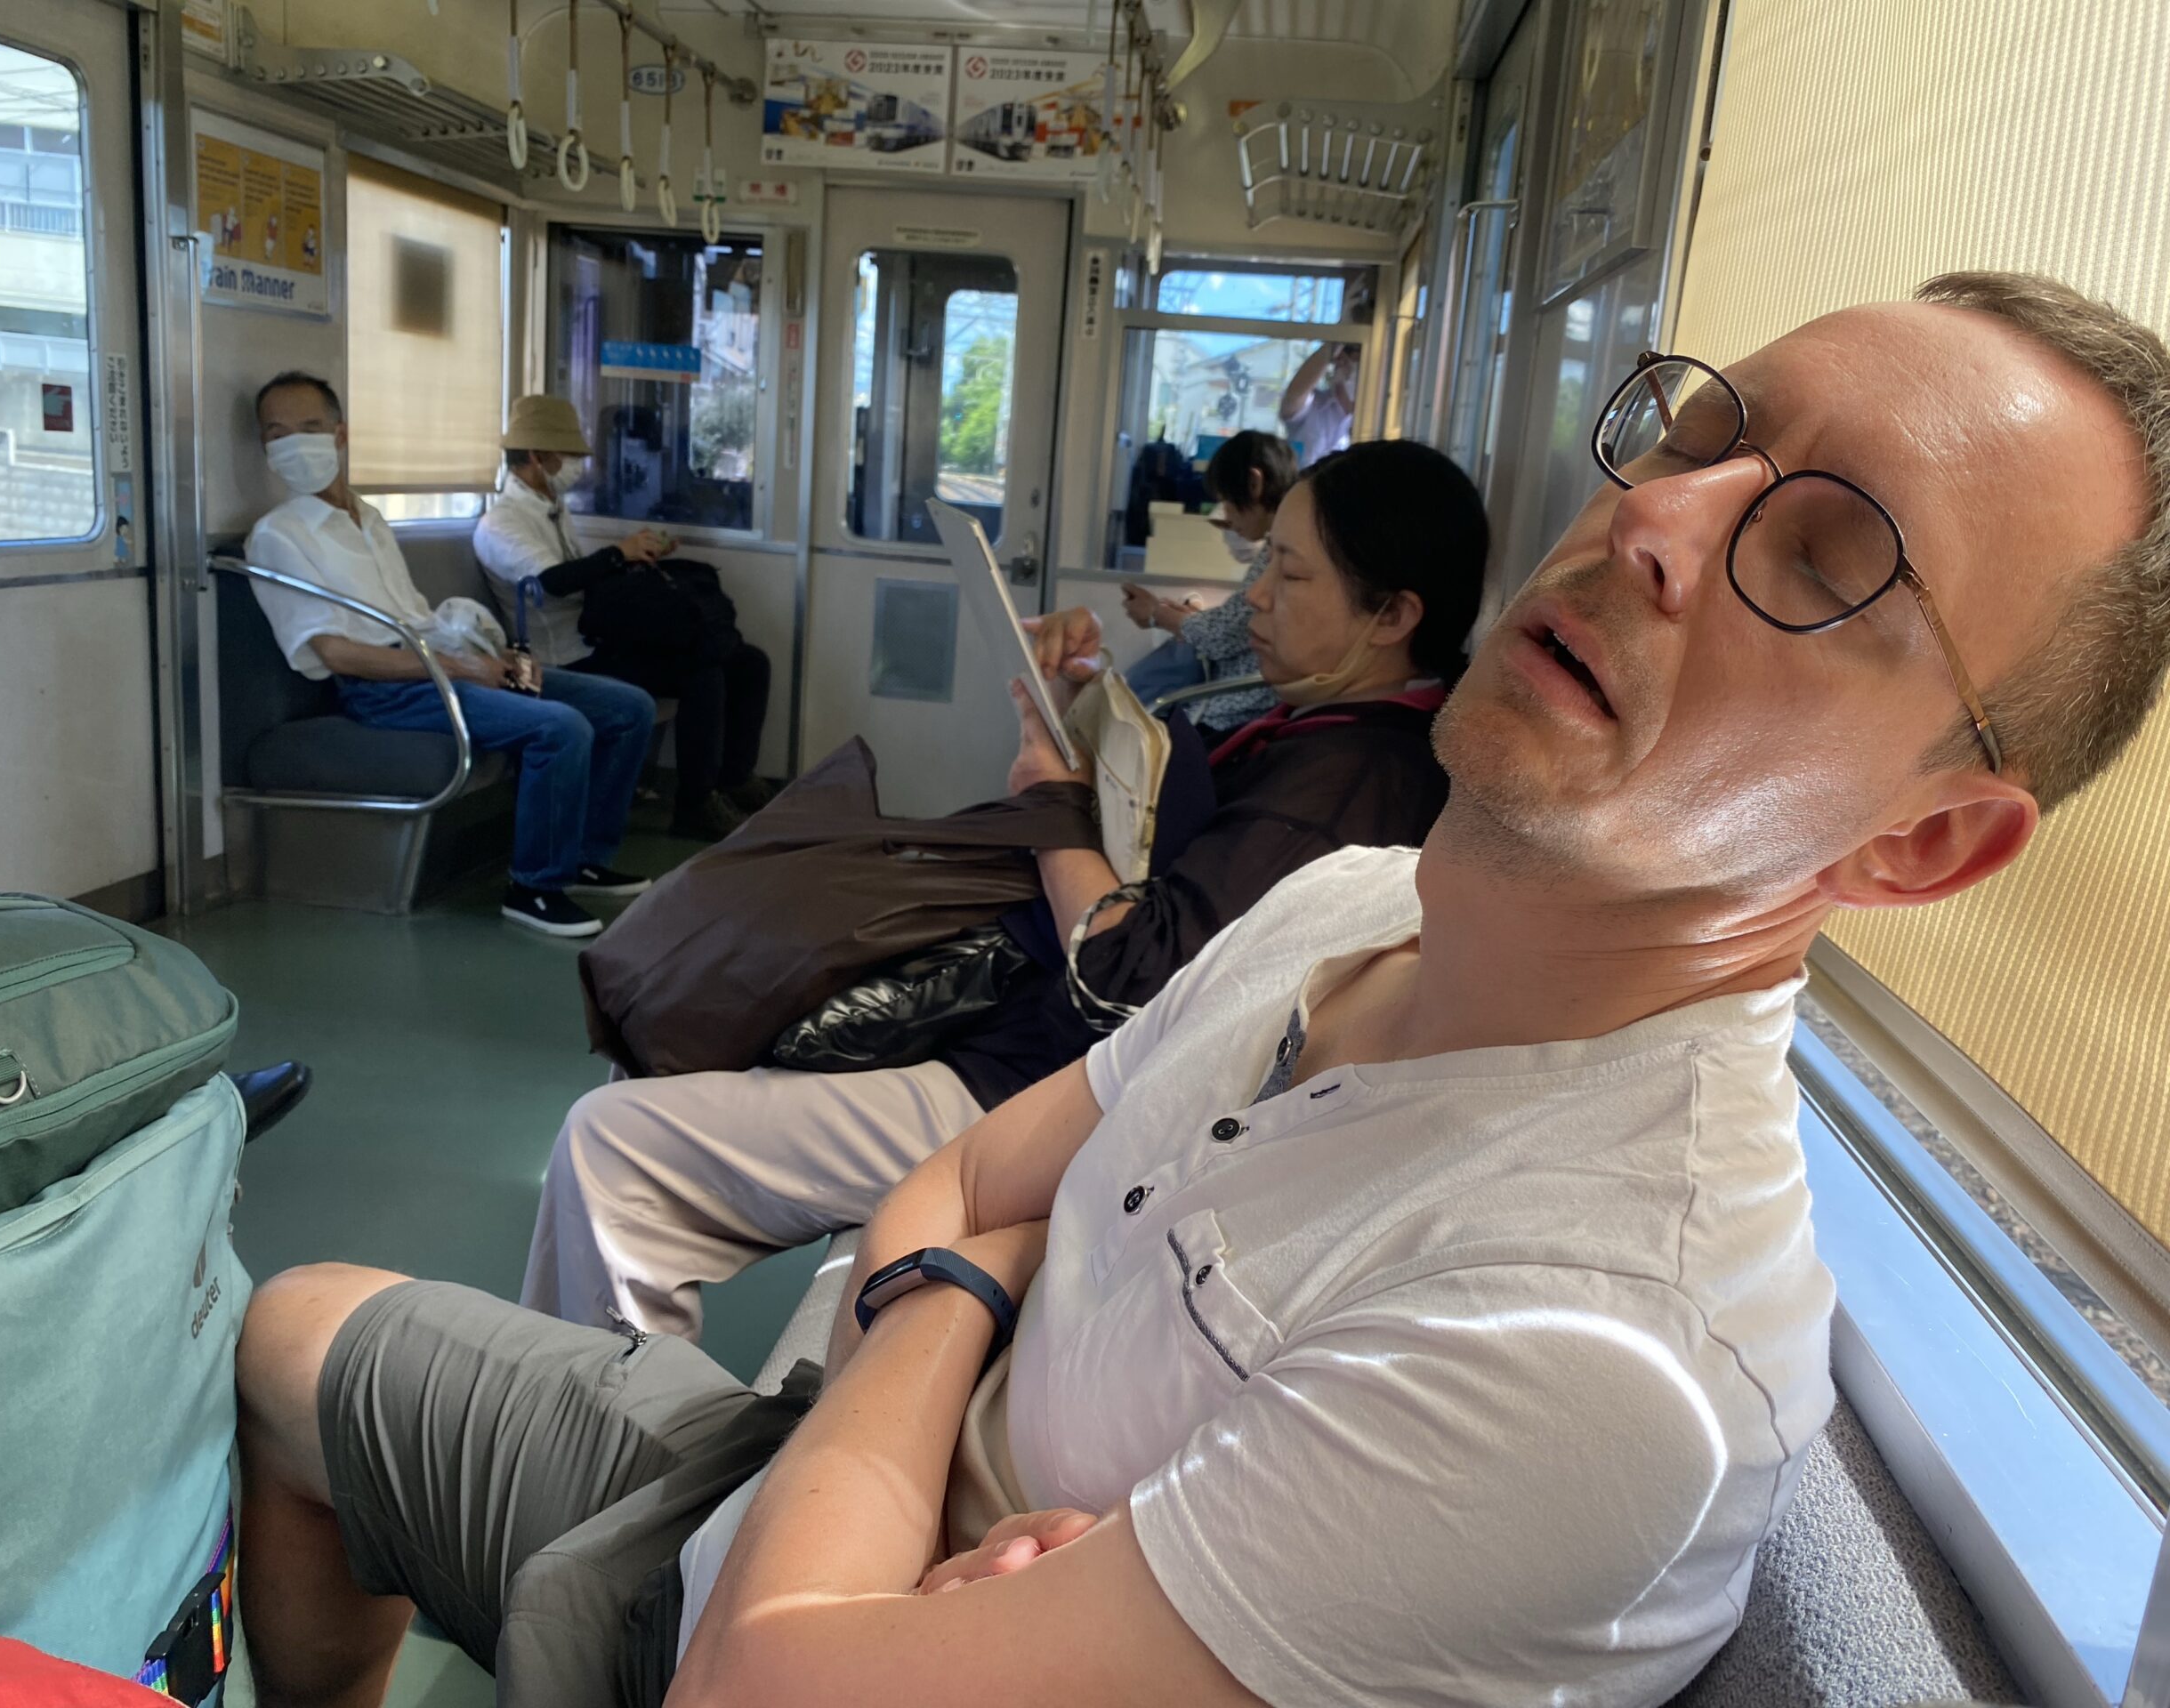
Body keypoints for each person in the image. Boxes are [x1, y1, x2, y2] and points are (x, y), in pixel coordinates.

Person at [233, 272, 2170, 1708]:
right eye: (1696, 434)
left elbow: (769, 1679)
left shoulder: (1600, 1357)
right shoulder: (1348, 901)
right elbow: (961, 1193)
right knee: (291, 1335)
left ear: (1920, 846)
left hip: (761, 1600)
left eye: (1822, 558)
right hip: (793, 1482)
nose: (1655, 522)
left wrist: (946, 1290)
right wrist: (955, 1294)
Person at [520, 438, 1488, 1338]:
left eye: (1290, 573)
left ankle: (598, 1428)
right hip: (1013, 1030)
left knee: (614, 1143)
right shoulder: (1314, 729)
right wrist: (1080, 710)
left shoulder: (1349, 785)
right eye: (1264, 563)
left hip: (1036, 1090)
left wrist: (1056, 804)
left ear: (1392, 615)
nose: (1258, 598)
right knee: (670, 1042)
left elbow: (1132, 978)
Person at [244, 373, 657, 939]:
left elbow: (417, 617)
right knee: (560, 728)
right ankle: (534, 888)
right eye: (277, 433)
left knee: (628, 708)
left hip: (436, 660)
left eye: (309, 428)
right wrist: (463, 668)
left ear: (340, 435)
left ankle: (583, 857)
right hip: (384, 688)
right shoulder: (278, 537)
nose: (293, 443)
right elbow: (337, 653)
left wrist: (492, 654)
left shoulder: (368, 518)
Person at [473, 395, 774, 842]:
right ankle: (695, 805)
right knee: (702, 673)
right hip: (561, 657)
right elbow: (552, 582)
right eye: (568, 454)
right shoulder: (501, 523)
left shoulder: (554, 509)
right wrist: (618, 554)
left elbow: (585, 575)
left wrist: (634, 555)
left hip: (598, 638)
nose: (577, 465)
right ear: (537, 456)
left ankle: (734, 777)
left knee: (747, 662)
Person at [1121, 429, 1297, 737]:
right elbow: (1235, 625)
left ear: (1253, 484)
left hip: (1232, 715)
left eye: (1227, 501)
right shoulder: (1283, 547)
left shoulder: (1278, 552)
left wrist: (1157, 614)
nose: (1226, 515)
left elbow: (1221, 636)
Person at [1281, 340, 1359, 460]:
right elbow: (1294, 397)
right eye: (1358, 361)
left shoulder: (1375, 422)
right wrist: (1332, 346)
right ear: (1340, 360)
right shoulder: (1314, 404)